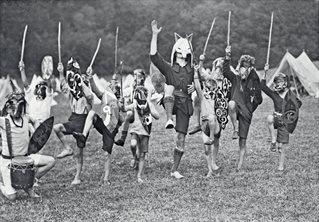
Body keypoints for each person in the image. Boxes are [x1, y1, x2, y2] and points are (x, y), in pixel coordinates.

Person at [150, 20, 195, 179]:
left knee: (181, 138)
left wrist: (194, 87)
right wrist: (155, 35)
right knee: (169, 88)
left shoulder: (191, 69)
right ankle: (169, 119)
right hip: (171, 100)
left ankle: (174, 169)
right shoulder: (169, 68)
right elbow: (154, 57)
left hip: (185, 104)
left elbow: (197, 84)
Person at [72, 67, 124, 185]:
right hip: (103, 123)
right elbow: (95, 90)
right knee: (92, 113)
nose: (110, 85)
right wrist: (90, 78)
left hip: (111, 129)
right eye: (110, 84)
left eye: (113, 85)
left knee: (106, 153)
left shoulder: (119, 101)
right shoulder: (105, 95)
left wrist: (121, 110)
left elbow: (123, 119)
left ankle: (106, 178)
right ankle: (83, 136)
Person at [0, 92, 55, 200]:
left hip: (26, 158)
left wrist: (34, 134)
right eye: (16, 109)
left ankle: (28, 183)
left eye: (21, 109)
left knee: (51, 161)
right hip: (9, 162)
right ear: (9, 108)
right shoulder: (3, 121)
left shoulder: (26, 118)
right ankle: (2, 185)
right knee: (12, 197)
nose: (19, 112)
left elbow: (36, 122)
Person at [53, 58, 94, 185]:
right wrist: (61, 73)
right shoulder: (72, 91)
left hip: (83, 121)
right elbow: (64, 87)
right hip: (74, 117)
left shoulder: (85, 88)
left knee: (79, 151)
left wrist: (84, 81)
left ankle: (77, 176)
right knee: (57, 128)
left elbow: (90, 97)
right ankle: (67, 148)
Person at [223, 46, 262, 171]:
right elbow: (225, 71)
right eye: (242, 68)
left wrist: (250, 108)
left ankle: (240, 163)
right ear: (239, 68)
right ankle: (235, 128)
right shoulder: (235, 78)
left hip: (246, 112)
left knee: (243, 140)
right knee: (231, 104)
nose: (243, 71)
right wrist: (227, 57)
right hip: (235, 109)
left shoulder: (253, 80)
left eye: (247, 69)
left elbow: (259, 99)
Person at [262, 64, 302, 171]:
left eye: (280, 82)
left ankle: (280, 165)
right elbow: (263, 87)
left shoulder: (290, 94)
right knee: (269, 118)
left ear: (284, 83)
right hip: (276, 118)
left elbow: (298, 104)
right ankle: (273, 139)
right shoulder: (274, 94)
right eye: (276, 82)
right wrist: (265, 72)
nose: (277, 84)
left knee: (282, 147)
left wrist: (290, 115)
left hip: (285, 121)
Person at [189, 55, 232, 135]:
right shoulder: (210, 78)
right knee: (196, 98)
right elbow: (200, 72)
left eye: (220, 67)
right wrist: (201, 61)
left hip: (220, 109)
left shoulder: (227, 79)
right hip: (209, 108)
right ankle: (197, 124)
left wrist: (228, 57)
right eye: (217, 67)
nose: (218, 70)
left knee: (216, 138)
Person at [193, 64, 223, 177]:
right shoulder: (202, 96)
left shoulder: (217, 95)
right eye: (207, 85)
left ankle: (213, 161)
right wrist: (196, 72)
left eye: (212, 85)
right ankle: (210, 169)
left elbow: (217, 82)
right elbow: (197, 85)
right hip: (205, 123)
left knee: (215, 141)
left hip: (214, 123)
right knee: (206, 150)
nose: (209, 87)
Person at [125, 86, 159, 182]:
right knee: (133, 145)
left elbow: (158, 116)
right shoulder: (135, 105)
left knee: (143, 155)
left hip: (145, 133)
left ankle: (139, 176)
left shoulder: (149, 105)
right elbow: (124, 108)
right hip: (135, 131)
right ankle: (134, 157)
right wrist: (124, 100)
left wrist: (151, 111)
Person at [115, 69, 148, 147]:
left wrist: (126, 107)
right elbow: (126, 105)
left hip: (142, 113)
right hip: (134, 111)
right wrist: (122, 103)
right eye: (135, 75)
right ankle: (122, 139)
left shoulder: (144, 89)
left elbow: (137, 103)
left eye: (138, 76)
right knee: (128, 115)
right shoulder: (131, 89)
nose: (136, 78)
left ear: (143, 78)